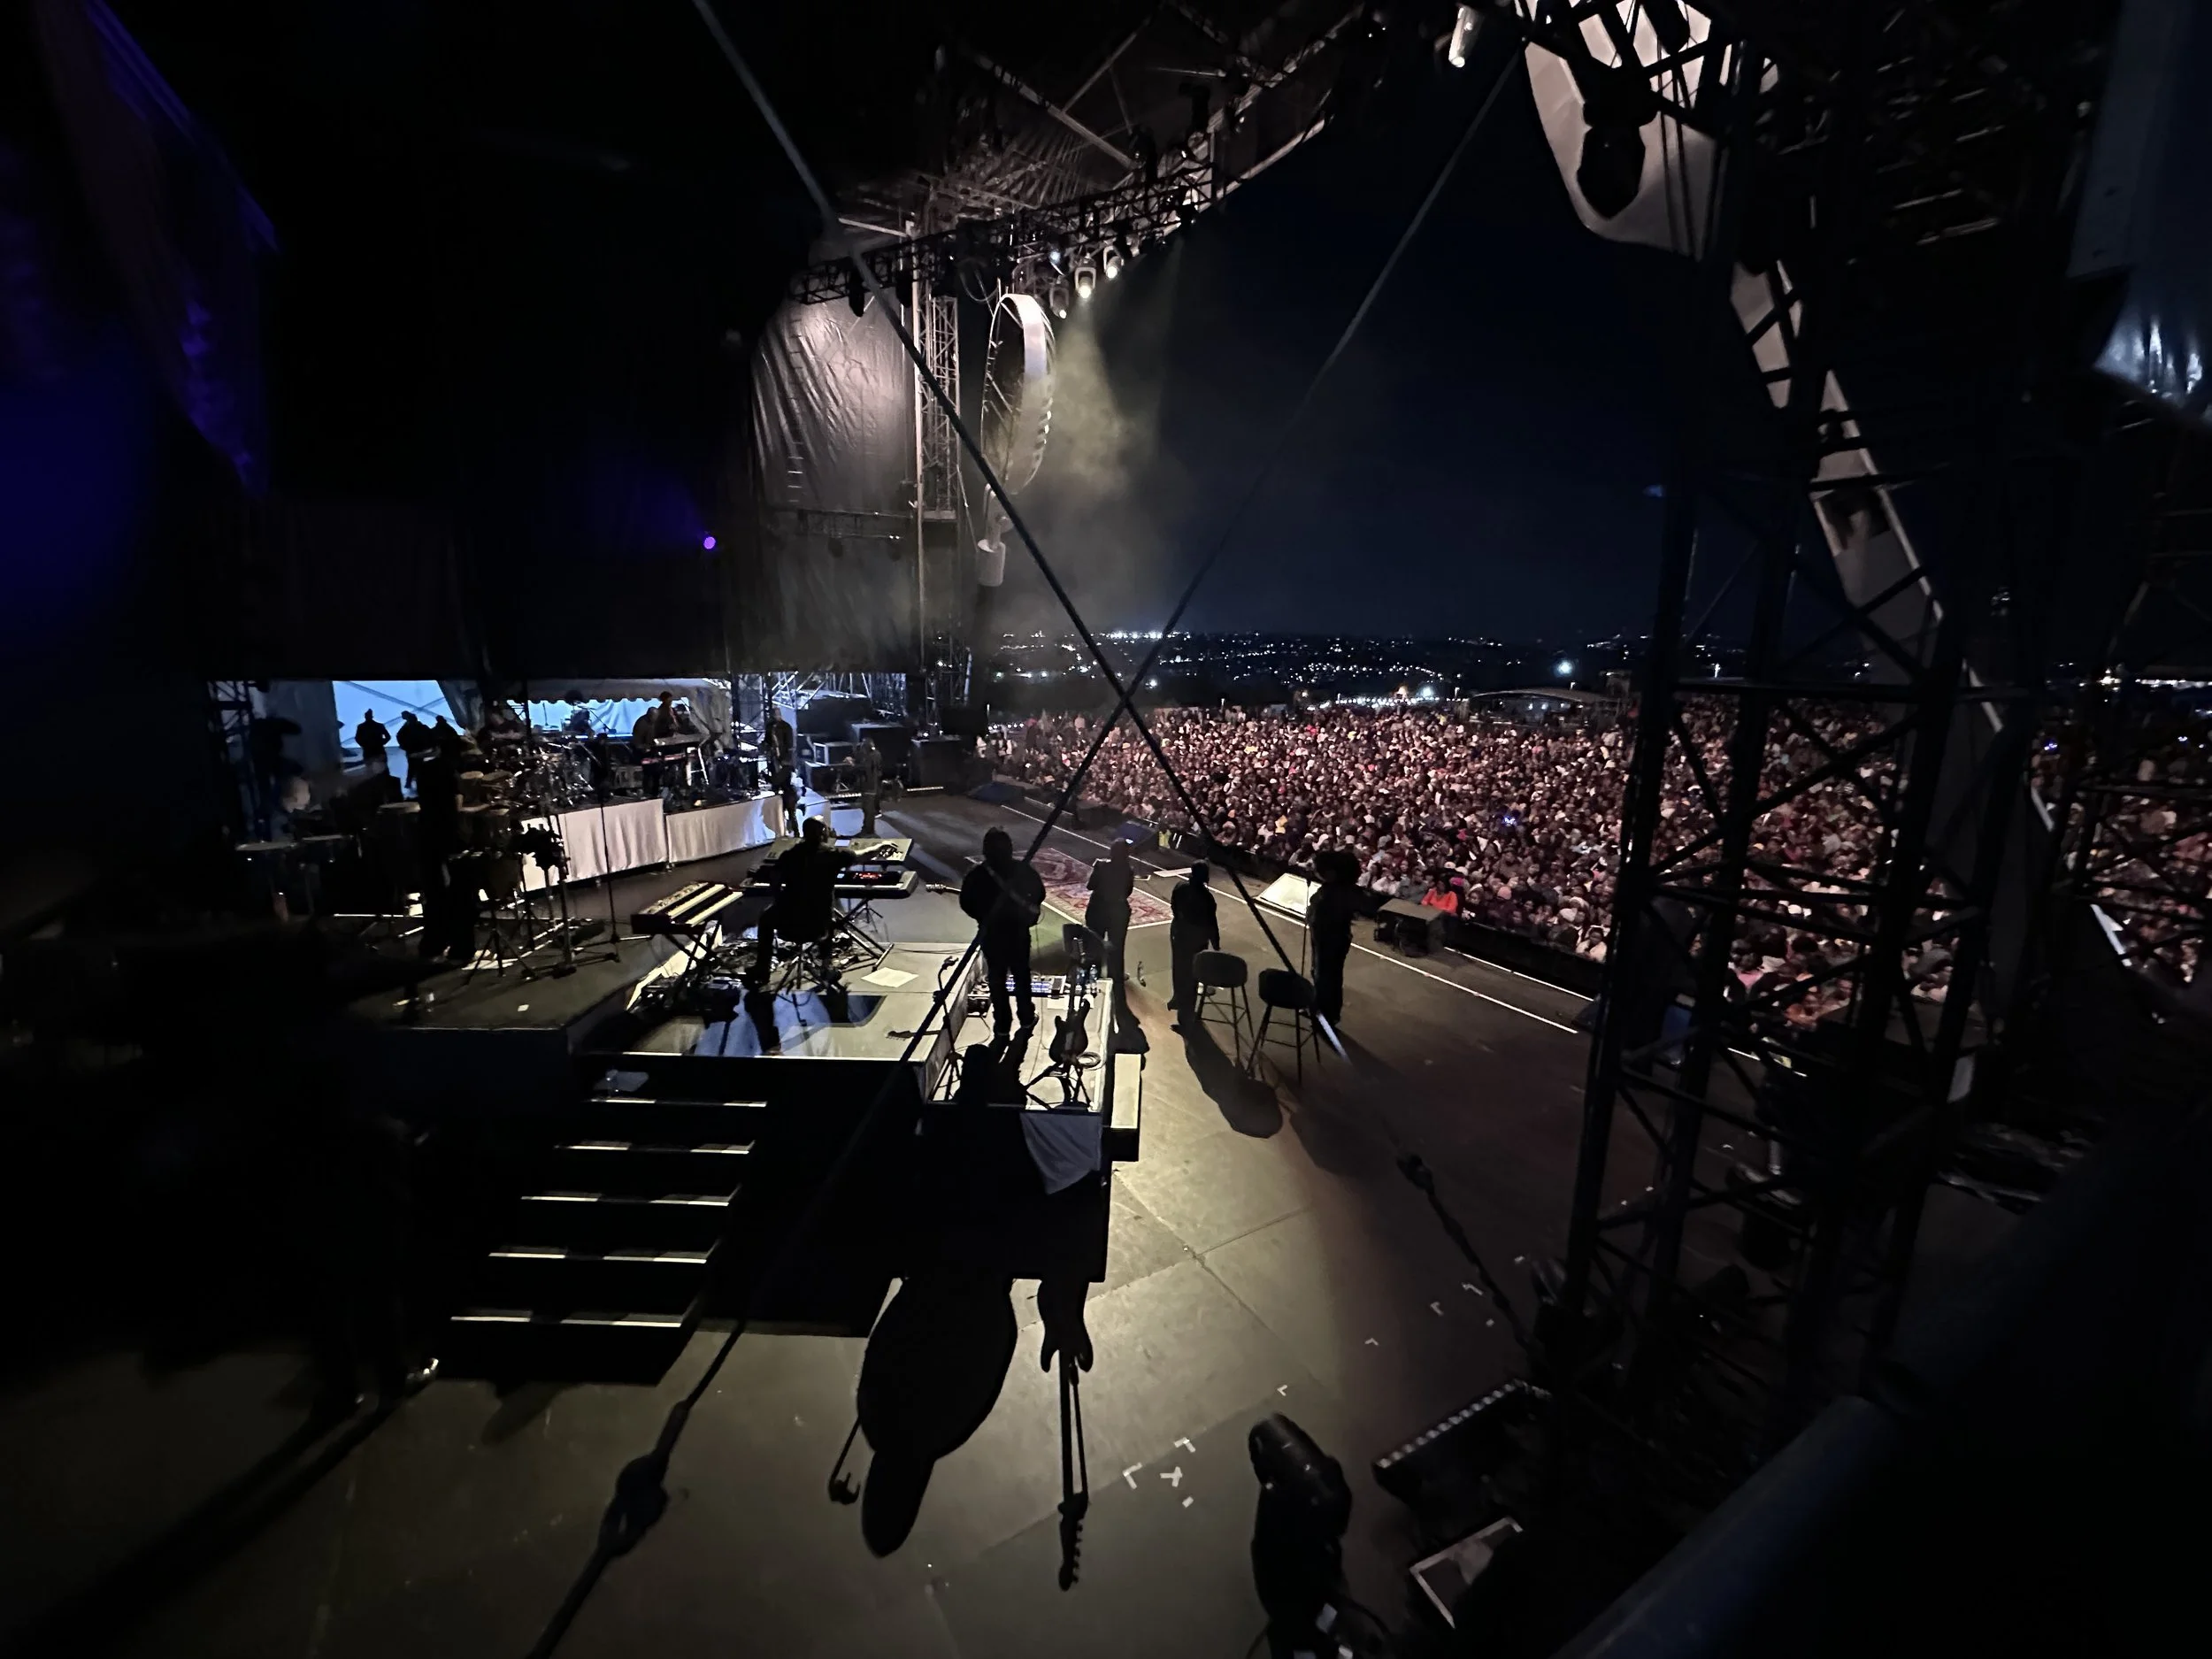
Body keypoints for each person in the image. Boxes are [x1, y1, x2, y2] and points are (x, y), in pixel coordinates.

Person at [747, 817, 855, 988]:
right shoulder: (833, 855)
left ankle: (762, 969)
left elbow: (774, 880)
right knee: (829, 917)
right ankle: (827, 967)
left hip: (788, 924)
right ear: (823, 833)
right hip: (818, 924)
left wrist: (778, 900)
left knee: (766, 918)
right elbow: (861, 856)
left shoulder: (789, 855)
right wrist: (878, 847)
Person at [960, 826, 1045, 1032]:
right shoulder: (1022, 869)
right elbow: (1040, 893)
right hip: (1017, 931)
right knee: (1021, 975)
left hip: (991, 933)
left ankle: (1002, 1022)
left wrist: (983, 916)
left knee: (997, 977)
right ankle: (1025, 1016)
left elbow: (965, 903)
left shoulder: (977, 875)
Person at [1308, 851, 1360, 1030]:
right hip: (1329, 939)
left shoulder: (1334, 896)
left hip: (1330, 940)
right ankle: (1322, 1010)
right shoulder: (1337, 890)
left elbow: (1322, 917)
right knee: (1325, 975)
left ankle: (1325, 1015)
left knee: (1327, 977)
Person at [1168, 861, 1220, 1028]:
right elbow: (1211, 921)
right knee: (1192, 973)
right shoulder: (1206, 897)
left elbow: (1174, 906)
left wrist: (1179, 921)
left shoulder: (1180, 887)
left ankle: (1178, 997)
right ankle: (1187, 1009)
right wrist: (1215, 941)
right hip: (1196, 937)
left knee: (1179, 967)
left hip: (1179, 932)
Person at [1085, 840, 1135, 983]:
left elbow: (1090, 886)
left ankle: (1094, 974)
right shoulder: (1128, 870)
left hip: (1097, 909)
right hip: (1117, 912)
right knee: (1117, 946)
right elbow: (1128, 892)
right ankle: (1115, 974)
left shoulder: (1101, 866)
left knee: (1094, 943)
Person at [765, 710, 800, 823]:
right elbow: (767, 740)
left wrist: (786, 759)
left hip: (784, 758)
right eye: (774, 714)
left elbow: (790, 744)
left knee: (784, 782)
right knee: (776, 780)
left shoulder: (786, 727)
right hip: (774, 756)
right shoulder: (770, 726)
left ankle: (791, 812)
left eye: (777, 714)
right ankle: (778, 809)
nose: (776, 716)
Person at [854, 734, 884, 837]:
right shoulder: (877, 754)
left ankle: (868, 830)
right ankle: (867, 828)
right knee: (868, 808)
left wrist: (853, 765)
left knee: (868, 809)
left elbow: (864, 768)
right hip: (874, 785)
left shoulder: (869, 757)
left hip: (869, 785)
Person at [354, 710, 391, 774]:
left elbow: (357, 738)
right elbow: (388, 737)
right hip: (378, 749)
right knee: (382, 769)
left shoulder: (361, 727)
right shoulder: (379, 725)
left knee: (370, 770)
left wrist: (363, 745)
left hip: (370, 750)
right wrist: (381, 743)